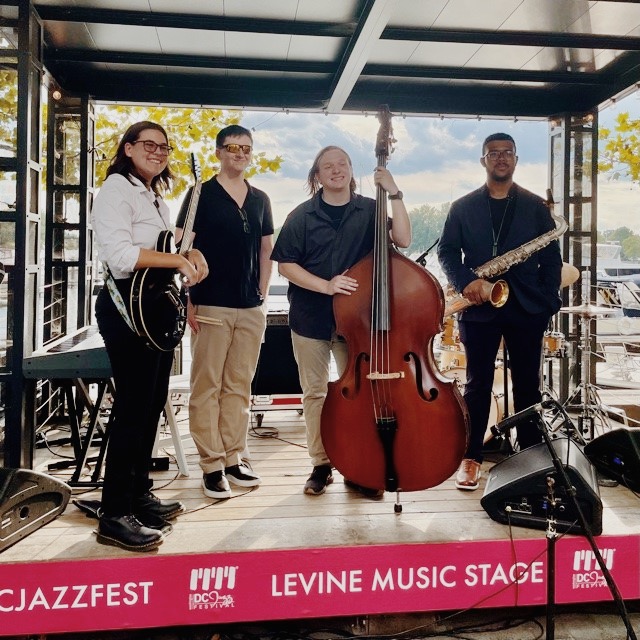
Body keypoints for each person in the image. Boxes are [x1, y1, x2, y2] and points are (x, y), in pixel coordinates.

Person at [92, 120, 209, 551]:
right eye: (149, 145)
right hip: (127, 308)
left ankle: (138, 496)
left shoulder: (152, 195)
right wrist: (177, 262)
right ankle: (114, 512)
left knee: (151, 404)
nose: (158, 152)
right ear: (127, 148)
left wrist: (189, 252)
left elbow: (168, 245)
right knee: (132, 409)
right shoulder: (115, 192)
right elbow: (122, 258)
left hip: (153, 307)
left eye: (164, 147)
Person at [271, 146, 411, 496]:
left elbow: (404, 239)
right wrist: (326, 286)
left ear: (351, 169)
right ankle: (321, 465)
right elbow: (285, 265)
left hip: (358, 322)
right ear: (316, 176)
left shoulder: (372, 209)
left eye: (342, 164)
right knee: (315, 393)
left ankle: (357, 466)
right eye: (327, 166)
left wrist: (394, 193)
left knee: (361, 395)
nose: (336, 170)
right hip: (310, 317)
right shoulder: (301, 216)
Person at [437, 132, 562, 491]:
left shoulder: (537, 207)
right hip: (479, 305)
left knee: (528, 386)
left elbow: (551, 258)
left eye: (508, 152)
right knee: (476, 385)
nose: (501, 158)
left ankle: (531, 459)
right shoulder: (462, 206)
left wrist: (548, 301)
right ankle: (471, 457)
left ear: (516, 160)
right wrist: (466, 283)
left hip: (526, 306)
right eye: (494, 153)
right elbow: (447, 252)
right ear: (483, 161)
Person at [176, 125, 274, 500]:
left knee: (239, 386)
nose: (240, 153)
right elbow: (184, 249)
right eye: (233, 147)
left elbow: (267, 250)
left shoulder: (261, 198)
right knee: (207, 387)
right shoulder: (200, 194)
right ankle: (211, 465)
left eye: (247, 148)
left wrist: (262, 294)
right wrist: (189, 301)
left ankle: (235, 457)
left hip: (250, 308)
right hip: (211, 304)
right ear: (219, 152)